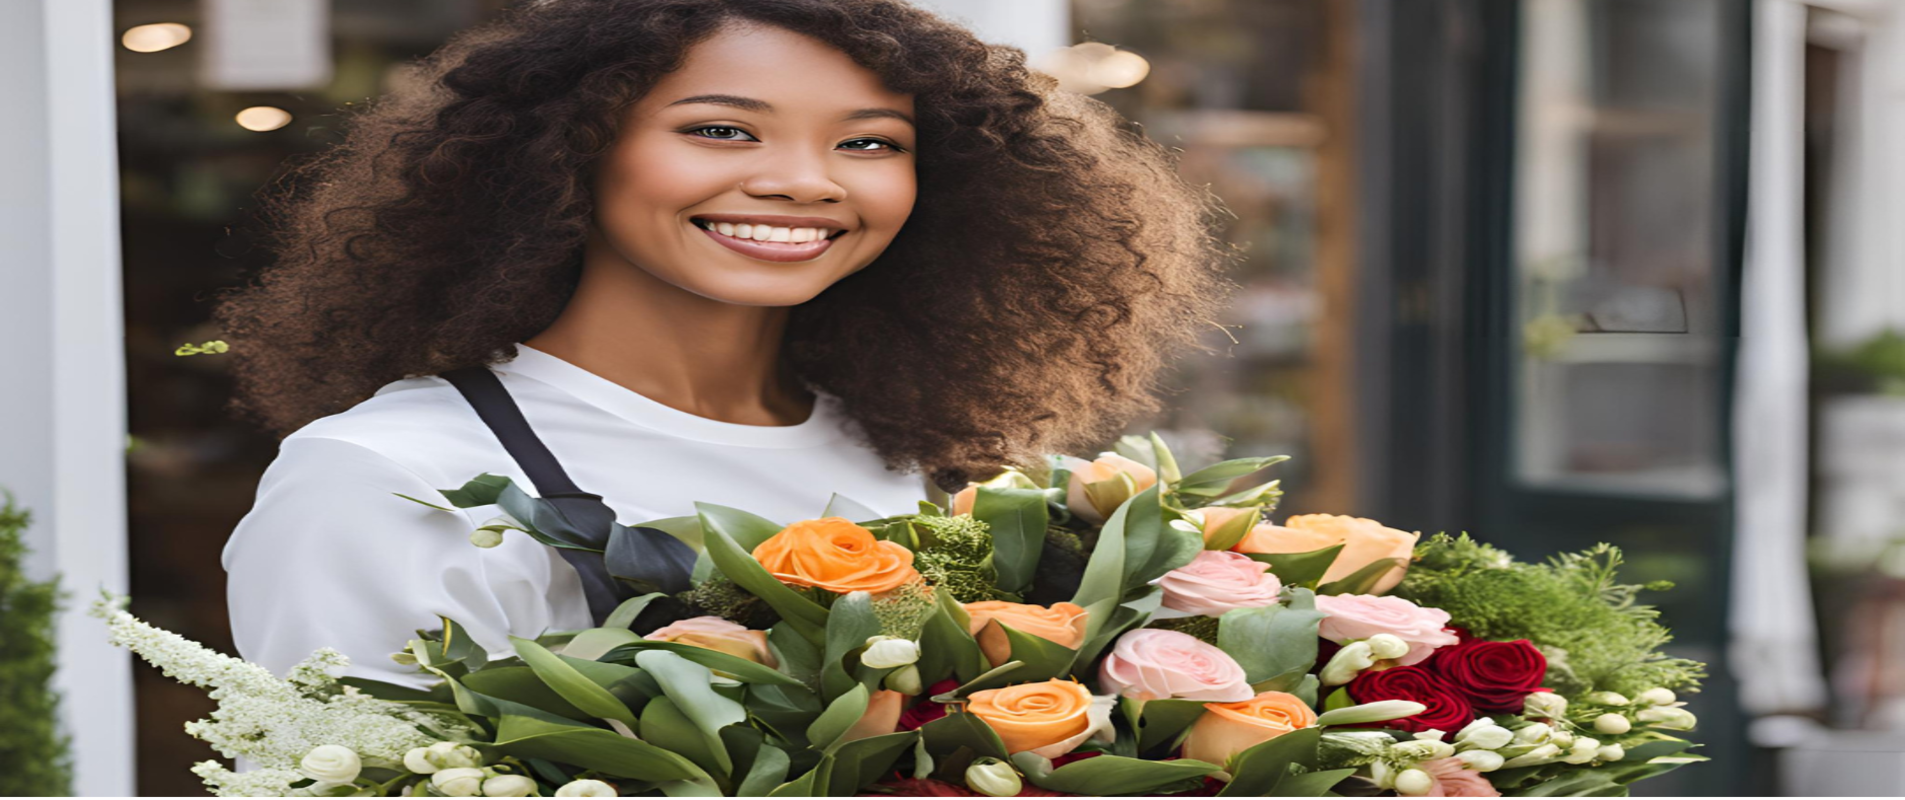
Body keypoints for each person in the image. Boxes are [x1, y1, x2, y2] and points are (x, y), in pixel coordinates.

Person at [216, 0, 1236, 689]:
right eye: (721, 130)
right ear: (569, 152)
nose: (803, 180)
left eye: (868, 142)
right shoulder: (392, 478)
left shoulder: (944, 469)